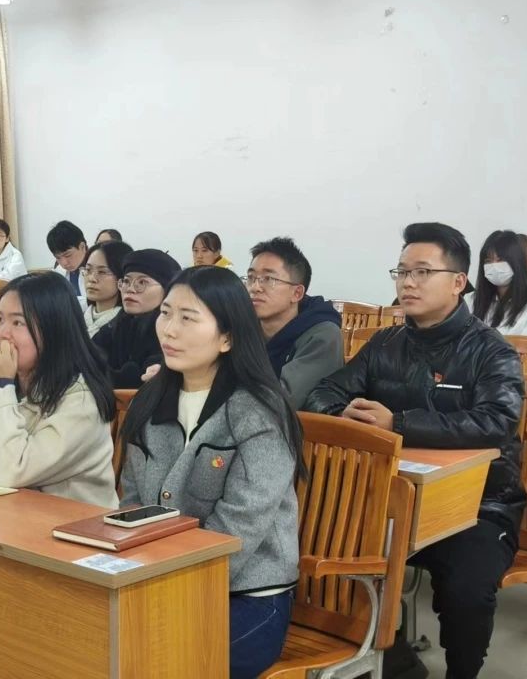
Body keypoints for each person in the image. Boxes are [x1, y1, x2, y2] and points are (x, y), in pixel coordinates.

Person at [305, 222, 525, 679]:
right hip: (386, 499)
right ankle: (398, 664)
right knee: (320, 553)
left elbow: (496, 422)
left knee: (466, 590)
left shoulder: (491, 351)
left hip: (477, 504)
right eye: (402, 271)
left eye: (422, 272)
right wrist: (345, 413)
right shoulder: (385, 344)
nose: (408, 282)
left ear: (458, 282)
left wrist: (398, 425)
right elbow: (323, 392)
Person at [120, 266, 300, 678]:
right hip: (159, 582)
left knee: (156, 662)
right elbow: (132, 504)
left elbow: (239, 527)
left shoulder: (259, 412)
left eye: (188, 318)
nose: (169, 330)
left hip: (248, 596)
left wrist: (172, 591)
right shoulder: (150, 401)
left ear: (227, 338)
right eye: (166, 313)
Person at [0, 272, 118, 508]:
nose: (1, 333)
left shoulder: (81, 398)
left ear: (53, 330)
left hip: (75, 524)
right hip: (10, 518)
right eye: (0, 319)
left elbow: (13, 471)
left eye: (18, 323)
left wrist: (0, 386)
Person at [246, 237, 343, 407]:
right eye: (251, 277)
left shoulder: (322, 335)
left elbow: (282, 400)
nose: (255, 287)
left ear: (297, 293)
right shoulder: (241, 326)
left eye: (269, 279)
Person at [93, 249, 180, 389]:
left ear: (167, 289)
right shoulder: (118, 323)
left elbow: (138, 380)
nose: (130, 289)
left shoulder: (171, 332)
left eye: (142, 282)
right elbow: (86, 358)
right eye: (126, 281)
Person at [469, 229, 527, 337]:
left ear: (516, 263)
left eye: (500, 260)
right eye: (488, 261)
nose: (494, 266)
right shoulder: (472, 299)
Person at [80, 240, 133, 337]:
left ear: (122, 277)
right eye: (88, 270)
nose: (91, 279)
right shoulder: (78, 319)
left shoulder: (128, 326)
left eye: (102, 272)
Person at [48, 220, 89, 296]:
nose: (64, 263)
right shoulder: (58, 272)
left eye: (68, 255)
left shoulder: (99, 269)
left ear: (82, 247)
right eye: (58, 257)